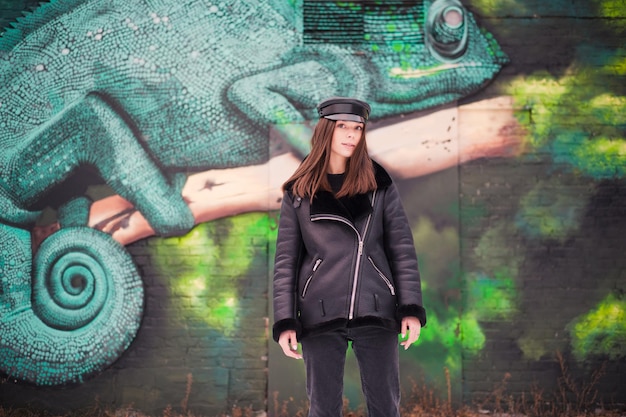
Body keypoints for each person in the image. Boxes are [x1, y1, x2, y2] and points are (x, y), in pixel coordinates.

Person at [272, 97, 427, 417]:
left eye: (357, 128)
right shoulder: (299, 191)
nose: (351, 135)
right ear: (325, 130)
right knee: (323, 409)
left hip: (376, 306)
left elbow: (402, 249)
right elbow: (286, 261)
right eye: (343, 126)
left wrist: (410, 308)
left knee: (385, 407)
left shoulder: (378, 183)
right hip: (320, 310)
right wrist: (285, 321)